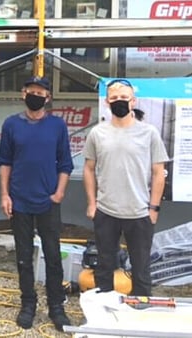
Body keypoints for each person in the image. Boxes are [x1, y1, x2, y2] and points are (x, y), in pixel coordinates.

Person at [0, 76, 74, 332]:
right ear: (23, 93)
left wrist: (60, 192)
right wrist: (5, 195)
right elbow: (5, 162)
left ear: (48, 97)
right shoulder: (11, 125)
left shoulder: (57, 126)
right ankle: (28, 304)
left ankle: (56, 307)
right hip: (19, 201)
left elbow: (65, 163)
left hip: (48, 201)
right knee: (23, 257)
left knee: (53, 256)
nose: (36, 95)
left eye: (41, 92)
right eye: (31, 91)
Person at [83, 79, 169, 296]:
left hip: (139, 213)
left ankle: (140, 312)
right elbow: (88, 169)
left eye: (124, 98)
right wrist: (92, 204)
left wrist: (154, 208)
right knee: (104, 266)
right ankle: (104, 311)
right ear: (106, 102)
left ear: (133, 101)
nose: (119, 101)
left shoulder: (149, 133)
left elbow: (159, 172)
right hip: (106, 211)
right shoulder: (97, 133)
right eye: (114, 98)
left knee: (140, 269)